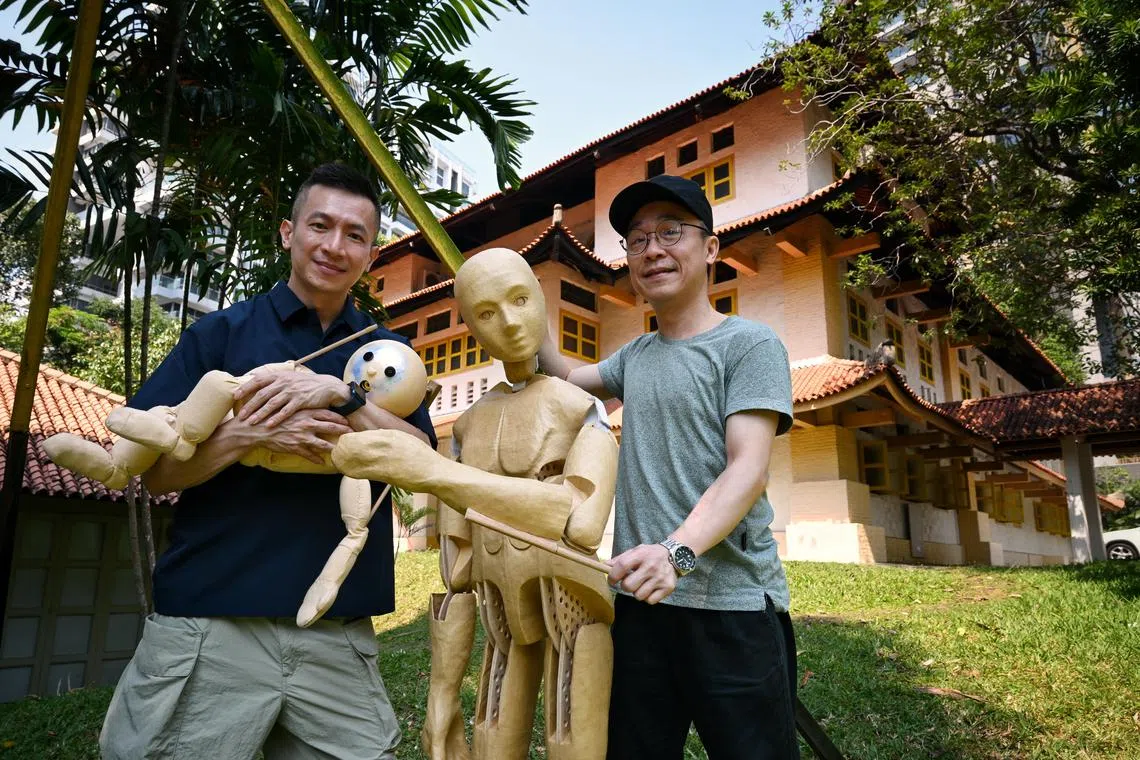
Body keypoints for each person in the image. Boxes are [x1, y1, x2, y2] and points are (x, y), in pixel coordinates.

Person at [99, 163, 436, 760]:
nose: (334, 246)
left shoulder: (386, 355)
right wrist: (249, 434)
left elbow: (423, 461)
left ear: (370, 255)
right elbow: (153, 474)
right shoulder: (221, 335)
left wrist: (343, 395)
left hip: (335, 631)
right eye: (320, 226)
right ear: (288, 232)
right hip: (212, 622)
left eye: (355, 235)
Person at [537, 174, 799, 760]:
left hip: (732, 610)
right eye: (637, 239)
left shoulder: (749, 345)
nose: (652, 249)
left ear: (710, 248)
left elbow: (747, 469)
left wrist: (675, 553)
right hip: (643, 607)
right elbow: (568, 378)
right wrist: (522, 311)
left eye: (671, 232)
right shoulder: (635, 357)